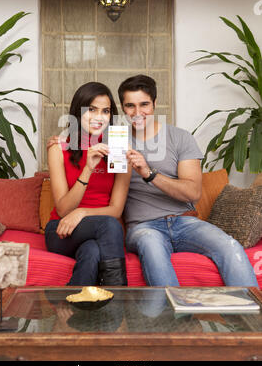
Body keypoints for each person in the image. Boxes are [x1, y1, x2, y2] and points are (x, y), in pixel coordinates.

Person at [118, 74, 258, 287]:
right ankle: (177, 319)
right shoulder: (116, 140)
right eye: (130, 106)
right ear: (122, 108)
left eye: (144, 104)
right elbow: (85, 156)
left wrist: (149, 173)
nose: (137, 113)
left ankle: (251, 318)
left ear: (155, 104)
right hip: (144, 227)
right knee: (152, 247)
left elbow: (193, 192)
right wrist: (62, 143)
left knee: (230, 246)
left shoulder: (180, 137)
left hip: (185, 222)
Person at [45, 82, 131, 286]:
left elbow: (116, 210)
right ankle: (120, 300)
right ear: (78, 111)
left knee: (92, 251)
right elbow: (64, 209)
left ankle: (72, 309)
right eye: (91, 109)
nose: (99, 117)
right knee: (109, 226)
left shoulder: (117, 147)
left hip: (101, 230)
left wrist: (83, 212)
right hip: (61, 230)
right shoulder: (58, 147)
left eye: (105, 111)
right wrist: (88, 169)